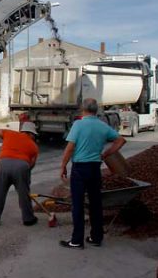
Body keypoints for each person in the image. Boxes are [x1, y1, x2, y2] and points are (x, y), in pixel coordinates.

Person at [59, 98, 127, 249]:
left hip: (80, 169)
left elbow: (70, 148)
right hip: (95, 168)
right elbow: (121, 140)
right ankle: (96, 237)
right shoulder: (102, 126)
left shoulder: (78, 124)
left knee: (77, 204)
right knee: (95, 204)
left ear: (82, 109)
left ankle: (77, 240)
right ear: (96, 110)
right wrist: (106, 154)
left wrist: (63, 166)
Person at [0, 122, 40, 227]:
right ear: (32, 134)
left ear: (22, 131)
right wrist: (24, 177)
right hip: (21, 167)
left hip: (3, 164)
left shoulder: (9, 133)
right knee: (24, 194)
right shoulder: (34, 146)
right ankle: (28, 219)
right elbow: (31, 164)